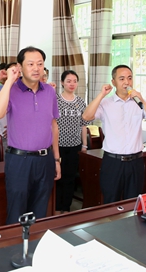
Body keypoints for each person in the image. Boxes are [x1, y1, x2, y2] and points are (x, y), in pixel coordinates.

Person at [0, 47, 61, 224]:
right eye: (30, 64)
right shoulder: (11, 90)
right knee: (17, 212)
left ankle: (35, 242)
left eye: (40, 64)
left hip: (45, 160)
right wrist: (9, 81)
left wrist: (56, 159)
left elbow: (53, 126)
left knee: (40, 212)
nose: (36, 68)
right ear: (20, 67)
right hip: (19, 161)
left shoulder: (49, 91)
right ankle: (15, 243)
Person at [82, 64, 146, 203]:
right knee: (110, 203)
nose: (127, 82)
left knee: (132, 204)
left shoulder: (139, 103)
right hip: (113, 162)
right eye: (122, 78)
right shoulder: (106, 103)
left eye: (130, 78)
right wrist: (101, 95)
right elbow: (86, 116)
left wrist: (142, 100)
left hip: (136, 162)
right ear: (113, 82)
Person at [55, 70, 90, 214]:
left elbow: (83, 125)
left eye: (75, 81)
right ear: (62, 83)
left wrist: (84, 145)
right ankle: (57, 209)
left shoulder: (81, 102)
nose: (72, 84)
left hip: (75, 146)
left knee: (70, 178)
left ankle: (66, 209)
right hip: (58, 146)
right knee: (58, 178)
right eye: (68, 81)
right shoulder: (55, 100)